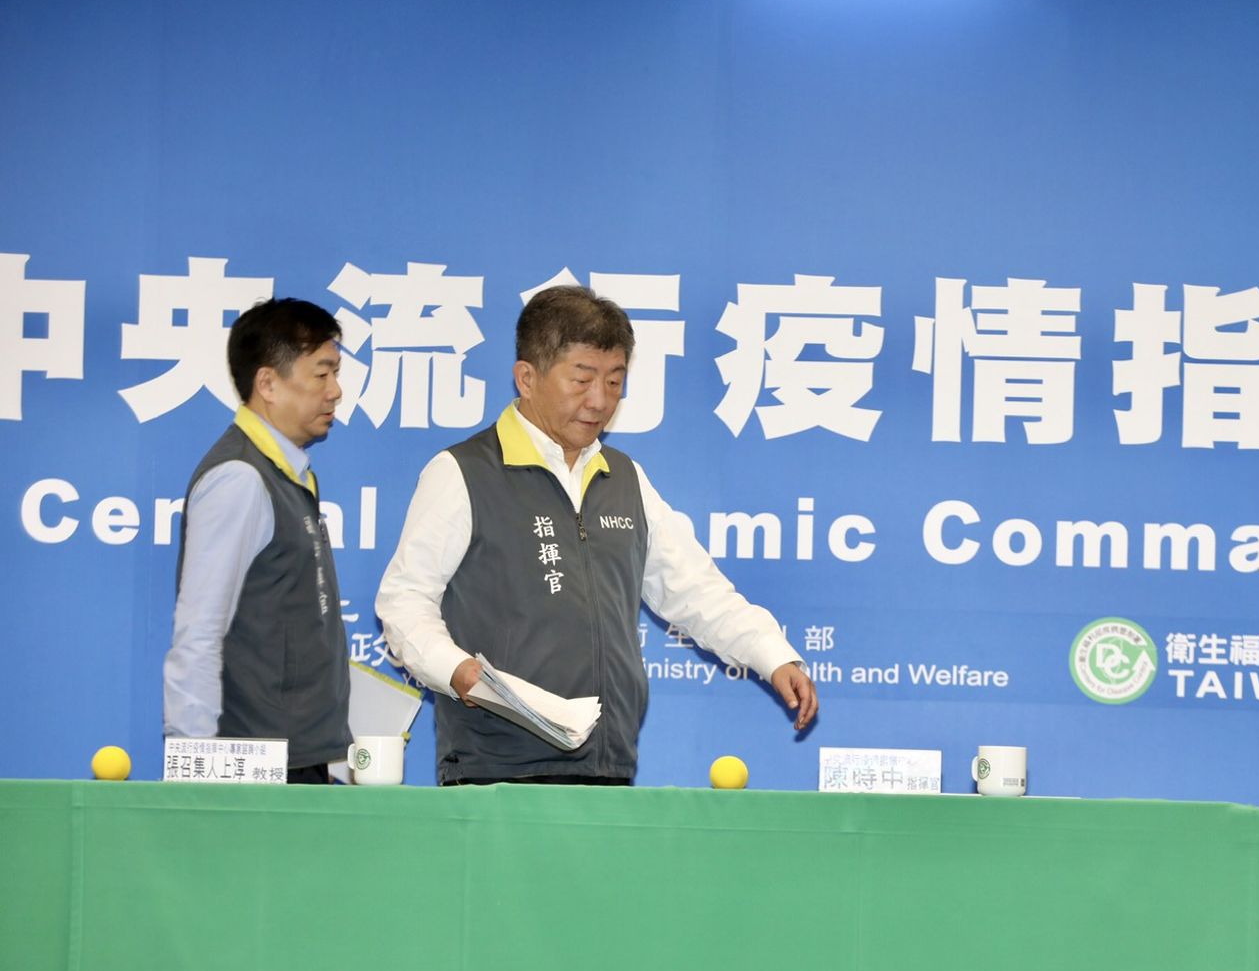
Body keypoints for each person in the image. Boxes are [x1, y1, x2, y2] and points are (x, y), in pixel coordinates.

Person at [376, 285, 817, 786]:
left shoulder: (625, 479)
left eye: (614, 381)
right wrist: (456, 671)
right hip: (497, 769)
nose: (600, 401)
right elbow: (404, 602)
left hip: (607, 765)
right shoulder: (463, 472)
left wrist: (771, 654)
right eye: (582, 380)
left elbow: (696, 590)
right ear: (527, 378)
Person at [162, 298, 351, 784]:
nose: (336, 391)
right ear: (267, 383)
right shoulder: (240, 478)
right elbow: (199, 632)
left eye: (336, 373)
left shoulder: (288, 474)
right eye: (322, 374)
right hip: (254, 769)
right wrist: (195, 778)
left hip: (297, 757)